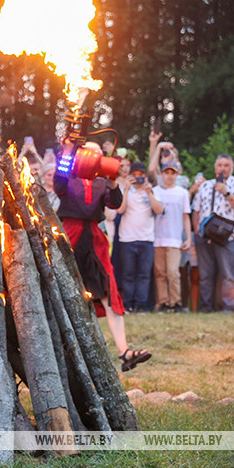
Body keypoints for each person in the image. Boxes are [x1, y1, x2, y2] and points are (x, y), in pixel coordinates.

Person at [54, 143, 151, 371]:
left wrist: (114, 180)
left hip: (94, 240)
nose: (94, 157)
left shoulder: (102, 182)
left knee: (109, 291)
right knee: (59, 290)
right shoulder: (68, 175)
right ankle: (61, 350)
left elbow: (114, 203)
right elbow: (59, 182)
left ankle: (124, 352)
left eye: (98, 154)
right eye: (90, 153)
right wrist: (67, 151)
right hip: (70, 236)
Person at [117, 161, 164, 312]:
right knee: (128, 274)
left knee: (144, 274)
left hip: (146, 239)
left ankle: (141, 305)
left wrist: (149, 193)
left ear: (145, 176)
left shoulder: (153, 191)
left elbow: (159, 210)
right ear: (130, 176)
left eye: (140, 176)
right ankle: (128, 304)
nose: (138, 179)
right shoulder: (126, 191)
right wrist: (125, 190)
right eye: (135, 176)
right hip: (127, 239)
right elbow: (120, 210)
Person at [190, 154, 234, 312]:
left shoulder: (233, 184)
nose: (223, 168)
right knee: (205, 275)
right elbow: (196, 209)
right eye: (220, 165)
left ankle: (228, 307)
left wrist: (227, 193)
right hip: (204, 235)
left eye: (226, 165)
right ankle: (205, 307)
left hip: (226, 236)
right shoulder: (206, 185)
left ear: (231, 167)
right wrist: (196, 230)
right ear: (215, 167)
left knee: (228, 274)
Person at [151, 162, 192, 312]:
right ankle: (163, 302)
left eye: (172, 173)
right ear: (161, 174)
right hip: (157, 237)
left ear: (176, 175)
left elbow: (186, 216)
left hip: (174, 238)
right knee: (159, 272)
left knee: (173, 272)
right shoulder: (154, 191)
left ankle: (175, 302)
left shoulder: (182, 193)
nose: (169, 176)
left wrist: (188, 237)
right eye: (166, 173)